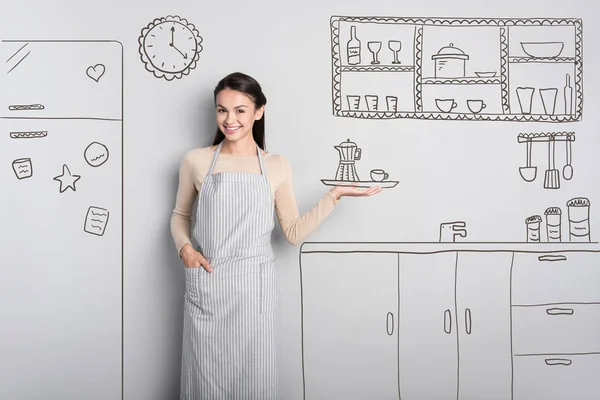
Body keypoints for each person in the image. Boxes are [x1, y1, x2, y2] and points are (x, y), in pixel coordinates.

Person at [170, 71, 381, 399]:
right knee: (204, 380)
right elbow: (180, 216)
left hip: (255, 290)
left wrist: (333, 196)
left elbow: (293, 232)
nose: (230, 119)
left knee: (255, 380)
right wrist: (185, 248)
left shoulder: (277, 165)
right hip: (208, 284)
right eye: (222, 109)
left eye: (240, 110)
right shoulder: (196, 160)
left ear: (259, 111)